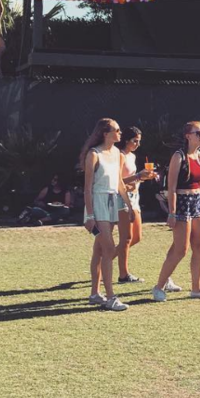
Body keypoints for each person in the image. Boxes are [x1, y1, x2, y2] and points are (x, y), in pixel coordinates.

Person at [152, 122, 200, 302]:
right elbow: (171, 187)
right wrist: (172, 213)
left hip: (196, 203)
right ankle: (159, 286)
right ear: (188, 135)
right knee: (181, 249)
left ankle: (197, 289)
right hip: (182, 202)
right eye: (199, 133)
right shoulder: (178, 156)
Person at [80, 118, 134, 312]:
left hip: (112, 203)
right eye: (116, 130)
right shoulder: (93, 154)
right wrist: (89, 216)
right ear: (105, 133)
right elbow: (87, 189)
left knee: (100, 250)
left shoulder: (118, 153)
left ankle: (95, 293)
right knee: (109, 247)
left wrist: (128, 206)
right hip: (97, 203)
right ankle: (110, 297)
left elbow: (119, 182)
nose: (120, 133)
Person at [114, 126, 155, 284]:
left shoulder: (132, 156)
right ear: (126, 140)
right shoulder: (120, 155)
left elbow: (132, 179)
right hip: (123, 198)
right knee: (126, 238)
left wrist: (143, 177)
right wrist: (138, 176)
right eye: (135, 141)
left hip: (135, 196)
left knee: (137, 237)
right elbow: (117, 181)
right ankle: (123, 275)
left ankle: (105, 260)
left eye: (139, 141)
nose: (137, 144)